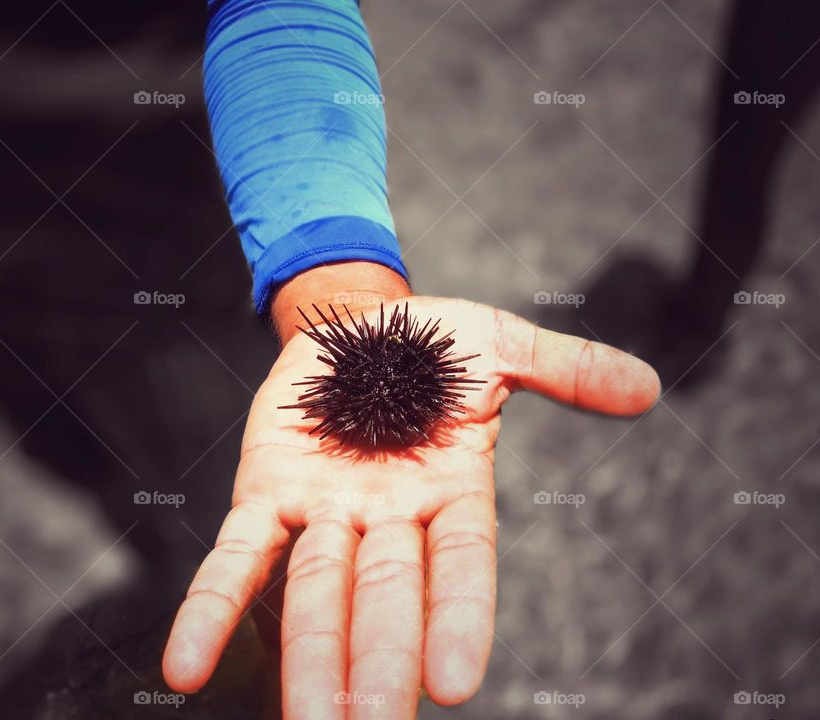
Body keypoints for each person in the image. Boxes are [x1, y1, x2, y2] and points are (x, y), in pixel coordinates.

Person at [162, 1, 660, 717]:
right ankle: (165, 556)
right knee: (157, 485)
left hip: (186, 165)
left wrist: (335, 280)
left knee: (207, 475)